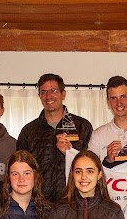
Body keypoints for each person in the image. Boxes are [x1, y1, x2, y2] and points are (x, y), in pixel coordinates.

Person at [17, 73, 93, 202]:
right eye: (43, 92)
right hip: (38, 203)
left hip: (74, 202)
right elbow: (20, 169)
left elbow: (92, 165)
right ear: (39, 96)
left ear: (63, 94)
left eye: (53, 91)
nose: (48, 96)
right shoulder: (28, 131)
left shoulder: (82, 126)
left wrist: (70, 152)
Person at [88, 75, 127, 163]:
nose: (119, 103)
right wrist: (108, 160)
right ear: (108, 102)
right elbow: (89, 167)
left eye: (123, 97)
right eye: (114, 98)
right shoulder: (98, 136)